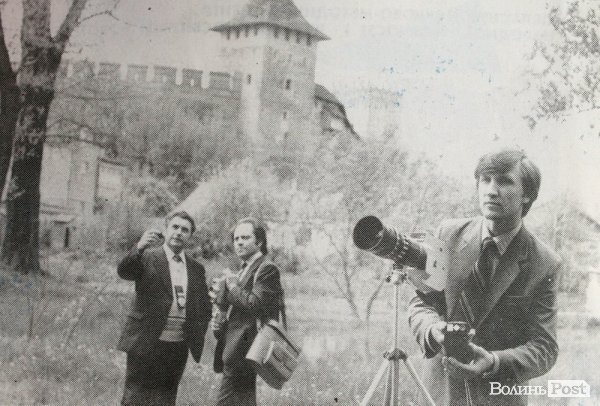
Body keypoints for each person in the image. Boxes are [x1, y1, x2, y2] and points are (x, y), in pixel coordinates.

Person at [408, 149, 561, 406]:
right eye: (485, 180)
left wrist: (494, 362)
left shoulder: (545, 262)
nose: (491, 190)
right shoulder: (447, 233)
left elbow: (545, 347)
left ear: (527, 194)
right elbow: (422, 302)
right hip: (439, 393)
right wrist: (432, 330)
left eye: (504, 181)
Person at [116, 211, 211, 406]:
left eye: (184, 230)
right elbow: (124, 272)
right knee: (135, 399)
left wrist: (194, 332)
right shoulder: (147, 257)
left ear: (190, 236)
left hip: (176, 346)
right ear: (166, 230)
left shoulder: (196, 268)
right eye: (174, 227)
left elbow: (204, 307)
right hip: (145, 341)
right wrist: (139, 247)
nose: (179, 232)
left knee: (165, 399)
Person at [211, 217, 284, 406]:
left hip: (245, 351)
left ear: (259, 242)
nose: (239, 243)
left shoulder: (267, 269)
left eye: (245, 237)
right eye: (236, 239)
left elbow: (254, 304)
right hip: (237, 351)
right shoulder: (245, 269)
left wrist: (233, 286)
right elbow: (237, 309)